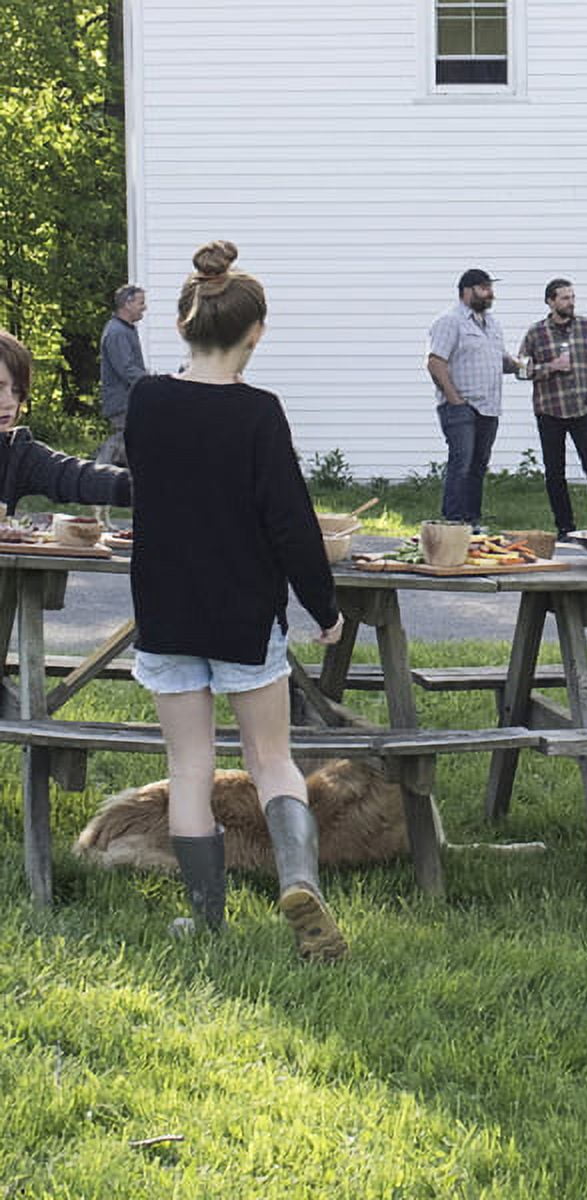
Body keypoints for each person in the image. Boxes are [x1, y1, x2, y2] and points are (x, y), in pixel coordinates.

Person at [124, 239, 348, 962]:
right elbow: (290, 522)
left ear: (183, 322)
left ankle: (205, 921)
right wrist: (324, 607)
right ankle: (300, 884)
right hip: (245, 616)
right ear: (256, 332)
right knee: (272, 760)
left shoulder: (146, 401)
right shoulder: (260, 413)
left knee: (188, 767)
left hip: (167, 611)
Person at [426, 268, 521, 530]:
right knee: (462, 464)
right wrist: (455, 400)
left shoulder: (492, 324)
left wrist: (525, 366)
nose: (490, 293)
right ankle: (453, 523)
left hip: (489, 407)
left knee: (478, 466)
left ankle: (471, 522)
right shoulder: (450, 320)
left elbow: (501, 361)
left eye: (490, 287)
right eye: (484, 288)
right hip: (461, 407)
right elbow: (435, 363)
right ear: (467, 291)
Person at [519, 278, 587, 539]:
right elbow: (522, 370)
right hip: (550, 410)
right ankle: (564, 527)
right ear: (550, 301)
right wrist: (550, 367)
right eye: (564, 298)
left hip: (583, 410)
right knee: (555, 472)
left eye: (572, 297)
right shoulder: (535, 333)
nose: (570, 302)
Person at [0, 329, 131, 513]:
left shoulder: (19, 454)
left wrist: (152, 486)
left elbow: (79, 477)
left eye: (16, 390)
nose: (9, 402)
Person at [97, 283, 147, 469]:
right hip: (122, 401)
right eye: (141, 303)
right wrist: (150, 382)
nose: (144, 307)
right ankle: (99, 470)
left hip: (129, 400)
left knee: (131, 440)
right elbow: (126, 370)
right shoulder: (117, 332)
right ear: (128, 303)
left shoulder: (125, 329)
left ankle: (113, 474)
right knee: (127, 438)